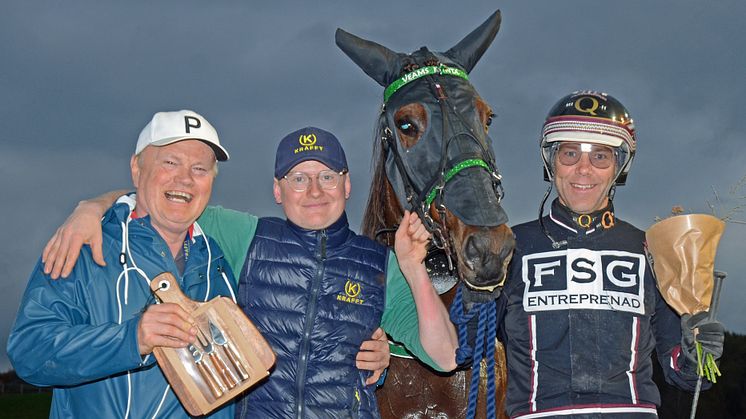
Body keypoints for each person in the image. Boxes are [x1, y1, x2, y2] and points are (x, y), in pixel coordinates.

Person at [41, 126, 459, 418]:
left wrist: (413, 268)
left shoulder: (380, 264)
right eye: (298, 178)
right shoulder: (245, 235)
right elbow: (165, 199)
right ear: (278, 191)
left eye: (326, 176)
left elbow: (445, 357)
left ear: (347, 185)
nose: (314, 191)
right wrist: (94, 207)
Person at [493, 91, 725, 418]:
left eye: (600, 156)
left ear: (620, 166)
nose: (583, 170)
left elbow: (683, 375)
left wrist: (697, 353)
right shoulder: (507, 246)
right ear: (550, 161)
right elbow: (464, 350)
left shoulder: (654, 250)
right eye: (570, 153)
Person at [7, 110, 238, 418]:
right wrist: (131, 339)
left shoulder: (216, 261)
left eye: (200, 168)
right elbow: (29, 352)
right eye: (170, 162)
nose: (185, 178)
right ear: (136, 168)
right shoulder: (84, 248)